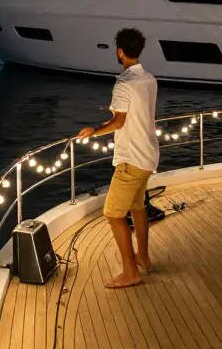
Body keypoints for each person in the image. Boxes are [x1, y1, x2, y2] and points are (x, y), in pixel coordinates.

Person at [75, 28, 159, 289]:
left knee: (112, 214)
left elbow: (119, 122)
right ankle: (143, 257)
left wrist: (95, 130)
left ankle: (130, 271)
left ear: (120, 52)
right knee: (137, 208)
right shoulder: (149, 79)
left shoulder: (124, 83)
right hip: (148, 155)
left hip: (131, 158)